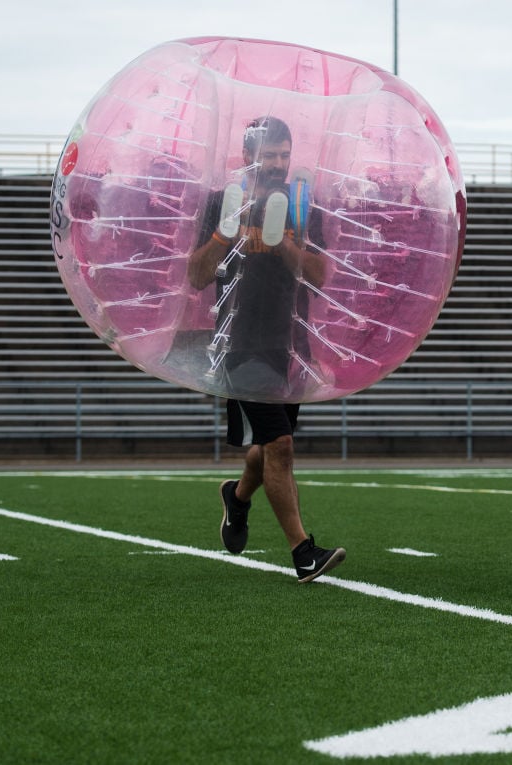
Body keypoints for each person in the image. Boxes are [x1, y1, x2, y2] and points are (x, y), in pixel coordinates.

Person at [187, 116, 345, 583]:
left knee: (264, 451)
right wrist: (223, 234)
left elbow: (320, 276)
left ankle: (237, 497)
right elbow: (196, 276)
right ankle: (303, 552)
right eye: (268, 154)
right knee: (280, 447)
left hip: (289, 346)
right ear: (246, 157)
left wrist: (285, 245)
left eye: (284, 154)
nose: (277, 164)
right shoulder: (222, 202)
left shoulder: (302, 207)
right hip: (241, 346)